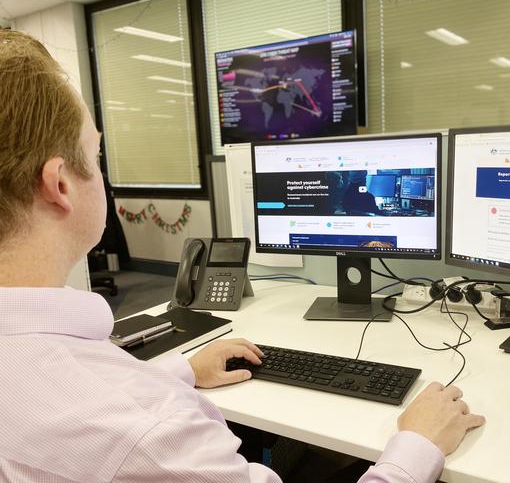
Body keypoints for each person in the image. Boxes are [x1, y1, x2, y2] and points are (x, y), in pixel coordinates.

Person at [0, 30, 485, 482]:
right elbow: (113, 418)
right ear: (60, 184)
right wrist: (417, 446)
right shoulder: (149, 434)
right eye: (98, 156)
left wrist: (182, 371)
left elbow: (79, 395)